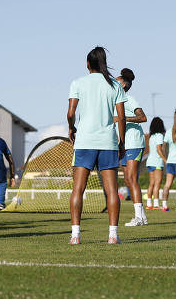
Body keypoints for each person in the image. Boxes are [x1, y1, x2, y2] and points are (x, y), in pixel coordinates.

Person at [67, 46, 126, 244]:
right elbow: (122, 117)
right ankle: (113, 235)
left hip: (84, 141)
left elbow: (70, 113)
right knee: (111, 190)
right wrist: (122, 142)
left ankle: (75, 235)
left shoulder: (78, 83)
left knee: (78, 189)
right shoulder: (115, 85)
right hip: (108, 142)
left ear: (87, 64)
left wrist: (71, 128)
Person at [112, 68, 149, 226]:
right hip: (124, 145)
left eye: (117, 81)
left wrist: (122, 118)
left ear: (124, 85)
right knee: (128, 179)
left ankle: (139, 218)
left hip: (134, 142)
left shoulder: (129, 99)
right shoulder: (115, 102)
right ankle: (141, 216)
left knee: (132, 179)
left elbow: (143, 117)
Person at [145, 117, 168, 210]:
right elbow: (159, 150)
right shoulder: (159, 136)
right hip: (157, 162)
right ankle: (156, 204)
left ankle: (149, 204)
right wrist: (166, 160)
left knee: (151, 184)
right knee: (157, 184)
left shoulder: (151, 137)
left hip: (150, 161)